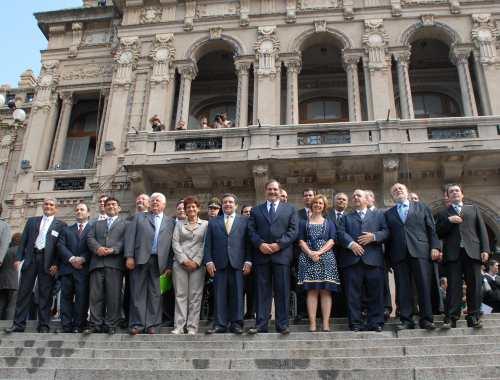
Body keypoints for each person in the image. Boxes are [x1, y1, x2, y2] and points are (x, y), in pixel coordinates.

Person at [384, 183, 441, 330]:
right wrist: (388, 259)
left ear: (407, 192)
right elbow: (388, 237)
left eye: (400, 189)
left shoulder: (422, 207)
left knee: (423, 285)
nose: (397, 191)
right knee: (403, 288)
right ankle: (406, 319)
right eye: (394, 190)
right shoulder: (388, 214)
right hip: (399, 254)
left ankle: (426, 319)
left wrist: (435, 247)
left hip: (420, 251)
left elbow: (431, 229)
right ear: (392, 196)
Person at [6, 198, 66, 333]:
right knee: (24, 292)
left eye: (51, 205)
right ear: (42, 206)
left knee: (45, 294)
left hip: (48, 261)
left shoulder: (61, 225)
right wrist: (18, 258)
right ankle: (18, 324)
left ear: (56, 208)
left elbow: (60, 247)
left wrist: (56, 264)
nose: (48, 206)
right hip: (31, 258)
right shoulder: (32, 221)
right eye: (46, 204)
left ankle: (44, 325)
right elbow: (24, 241)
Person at [247, 179, 298, 335]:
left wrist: (279, 245)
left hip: (281, 255)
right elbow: (251, 231)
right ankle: (261, 324)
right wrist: (260, 244)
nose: (272, 192)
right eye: (270, 189)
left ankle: (282, 325)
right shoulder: (256, 210)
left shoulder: (290, 209)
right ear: (265, 191)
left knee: (282, 291)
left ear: (279, 191)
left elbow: (293, 231)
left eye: (275, 189)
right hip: (262, 256)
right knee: (262, 291)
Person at [436, 183, 490, 329]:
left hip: (472, 252)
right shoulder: (443, 213)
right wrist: (449, 221)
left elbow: (482, 230)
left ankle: (474, 317)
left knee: (475, 286)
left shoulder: (473, 209)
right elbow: (438, 233)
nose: (454, 193)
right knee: (453, 286)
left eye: (457, 190)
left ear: (462, 194)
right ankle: (451, 317)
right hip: (453, 254)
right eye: (451, 191)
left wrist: (485, 249)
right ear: (447, 196)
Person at [337, 190, 389, 332]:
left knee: (376, 294)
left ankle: (376, 322)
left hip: (373, 260)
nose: (355, 198)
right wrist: (351, 244)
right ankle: (355, 323)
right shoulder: (346, 218)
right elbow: (340, 233)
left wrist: (374, 236)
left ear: (367, 199)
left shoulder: (378, 215)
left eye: (358, 195)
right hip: (352, 261)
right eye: (353, 196)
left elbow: (386, 232)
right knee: (353, 294)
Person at [125, 192, 175, 335]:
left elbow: (172, 246)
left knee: (155, 294)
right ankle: (138, 324)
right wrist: (129, 256)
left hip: (160, 262)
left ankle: (152, 325)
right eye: (152, 200)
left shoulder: (170, 222)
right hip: (140, 259)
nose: (154, 203)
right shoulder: (139, 217)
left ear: (164, 205)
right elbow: (130, 238)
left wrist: (169, 265)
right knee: (137, 292)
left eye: (158, 201)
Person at [204, 193, 252, 334]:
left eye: (230, 202)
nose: (227, 204)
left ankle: (237, 324)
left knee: (237, 294)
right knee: (219, 294)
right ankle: (220, 324)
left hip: (238, 263)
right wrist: (208, 261)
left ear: (236, 205)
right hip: (219, 264)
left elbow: (248, 243)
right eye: (225, 202)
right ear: (222, 205)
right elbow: (208, 245)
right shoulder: (213, 222)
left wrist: (248, 260)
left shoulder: (244, 221)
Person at [85, 197, 127, 335]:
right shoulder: (97, 224)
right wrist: (98, 248)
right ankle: (95, 324)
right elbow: (90, 238)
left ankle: (111, 324)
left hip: (115, 264)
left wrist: (114, 249)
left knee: (113, 296)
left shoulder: (125, 224)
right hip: (97, 263)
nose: (111, 206)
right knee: (95, 296)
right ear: (104, 207)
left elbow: (124, 240)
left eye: (114, 204)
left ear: (119, 208)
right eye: (108, 204)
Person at [297, 194, 339, 332]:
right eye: (315, 202)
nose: (317, 205)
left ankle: (326, 323)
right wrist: (310, 253)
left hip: (325, 258)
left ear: (324, 206)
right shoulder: (303, 222)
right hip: (308, 257)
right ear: (311, 204)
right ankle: (313, 323)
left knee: (326, 291)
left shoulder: (330, 223)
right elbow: (301, 240)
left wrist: (319, 252)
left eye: (320, 203)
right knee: (312, 290)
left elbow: (332, 240)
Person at [171, 196, 208, 335]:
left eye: (193, 206)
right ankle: (179, 326)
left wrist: (196, 261)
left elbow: (205, 244)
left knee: (195, 296)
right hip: (180, 264)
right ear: (185, 210)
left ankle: (192, 327)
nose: (191, 209)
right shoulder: (179, 224)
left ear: (198, 208)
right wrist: (184, 260)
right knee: (180, 295)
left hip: (197, 265)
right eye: (188, 207)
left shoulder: (205, 224)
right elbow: (175, 242)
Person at [57, 202, 92, 333]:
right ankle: (66, 325)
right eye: (77, 210)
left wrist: (82, 259)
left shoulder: (93, 229)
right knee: (65, 298)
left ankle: (79, 325)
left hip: (84, 270)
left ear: (88, 213)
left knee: (82, 299)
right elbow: (60, 246)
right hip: (67, 269)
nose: (79, 211)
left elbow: (92, 248)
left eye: (82, 209)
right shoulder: (66, 230)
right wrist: (72, 259)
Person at [0, 232, 19, 320]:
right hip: (14, 282)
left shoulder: (5, 251)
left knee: (1, 304)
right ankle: (8, 324)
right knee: (12, 305)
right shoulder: (19, 251)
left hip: (2, 281)